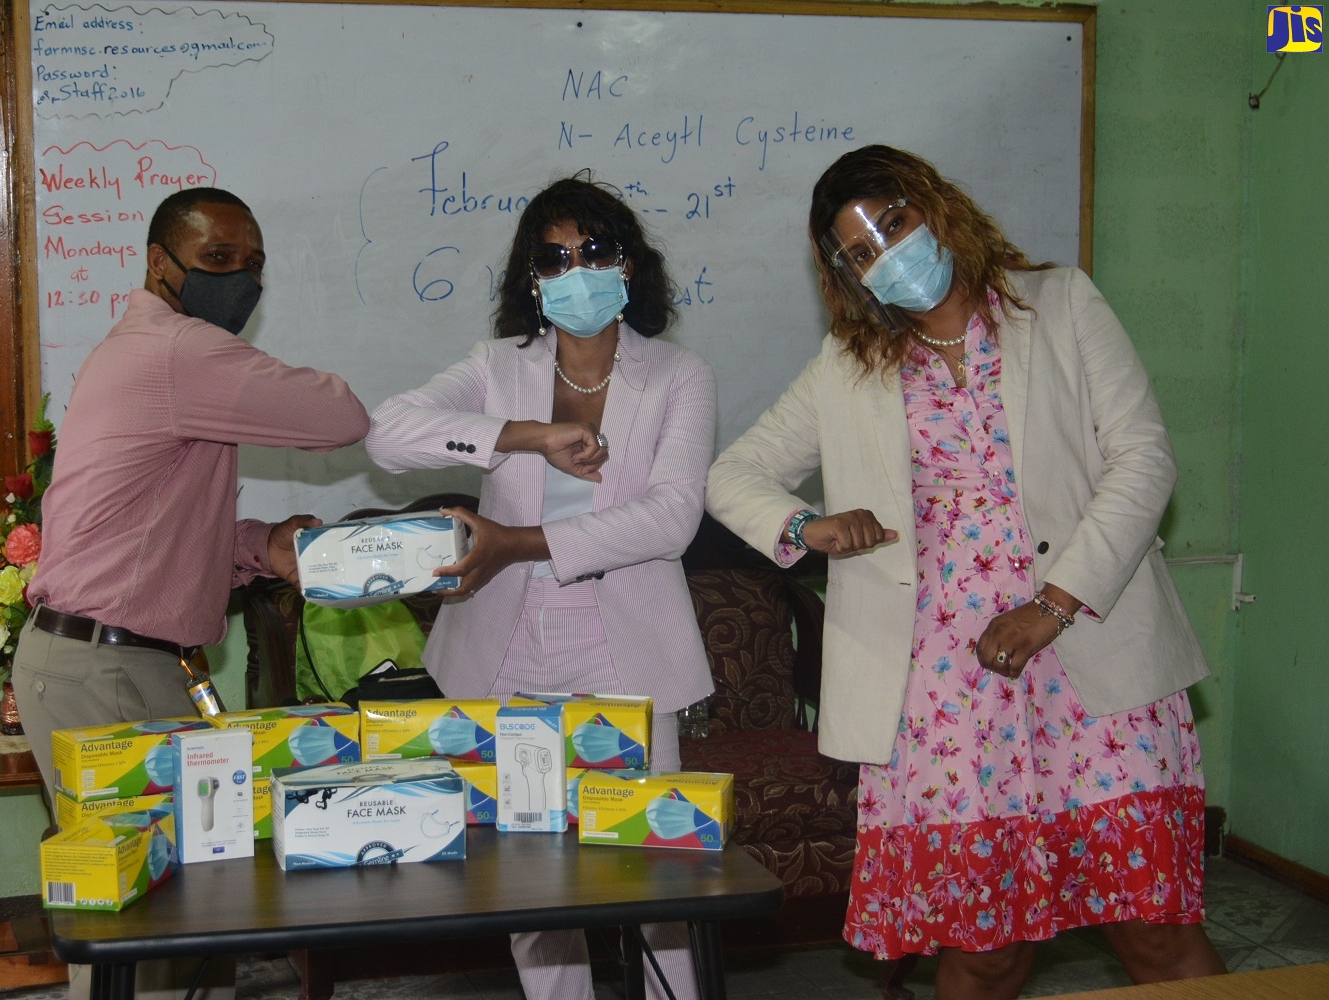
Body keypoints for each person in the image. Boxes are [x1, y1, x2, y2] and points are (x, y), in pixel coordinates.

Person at [705, 146, 1225, 999]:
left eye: (894, 225)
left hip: (1093, 648)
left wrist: (1050, 606)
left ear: (936, 209)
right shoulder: (848, 366)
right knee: (985, 951)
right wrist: (808, 525)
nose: (887, 257)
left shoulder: (1060, 306)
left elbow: (1144, 460)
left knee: (1154, 933)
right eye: (862, 253)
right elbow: (732, 475)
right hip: (945, 688)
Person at [364, 174, 716, 1000]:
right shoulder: (496, 369)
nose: (576, 270)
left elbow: (671, 519)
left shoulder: (678, 375)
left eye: (594, 250)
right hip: (505, 647)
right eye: (553, 257)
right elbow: (386, 435)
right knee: (531, 880)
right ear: (531, 278)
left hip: (626, 646)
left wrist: (518, 543)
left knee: (656, 873)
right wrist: (529, 436)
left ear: (630, 264)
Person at [14, 187, 370, 800]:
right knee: (151, 882)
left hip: (108, 655)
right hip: (110, 663)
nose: (240, 278)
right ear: (160, 262)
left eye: (254, 265)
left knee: (161, 877)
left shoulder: (144, 350)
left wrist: (260, 546)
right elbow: (341, 416)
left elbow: (146, 529)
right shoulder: (180, 350)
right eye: (218, 258)